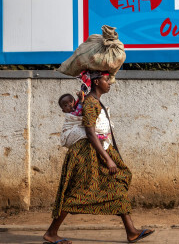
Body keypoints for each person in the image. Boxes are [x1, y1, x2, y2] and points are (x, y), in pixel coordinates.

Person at [44, 71, 154, 244]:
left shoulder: (95, 101)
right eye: (106, 80)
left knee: (117, 186)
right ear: (96, 82)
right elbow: (90, 132)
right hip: (86, 155)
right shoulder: (89, 103)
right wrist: (108, 159)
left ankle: (131, 231)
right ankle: (51, 232)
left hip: (96, 152)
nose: (109, 83)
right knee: (77, 193)